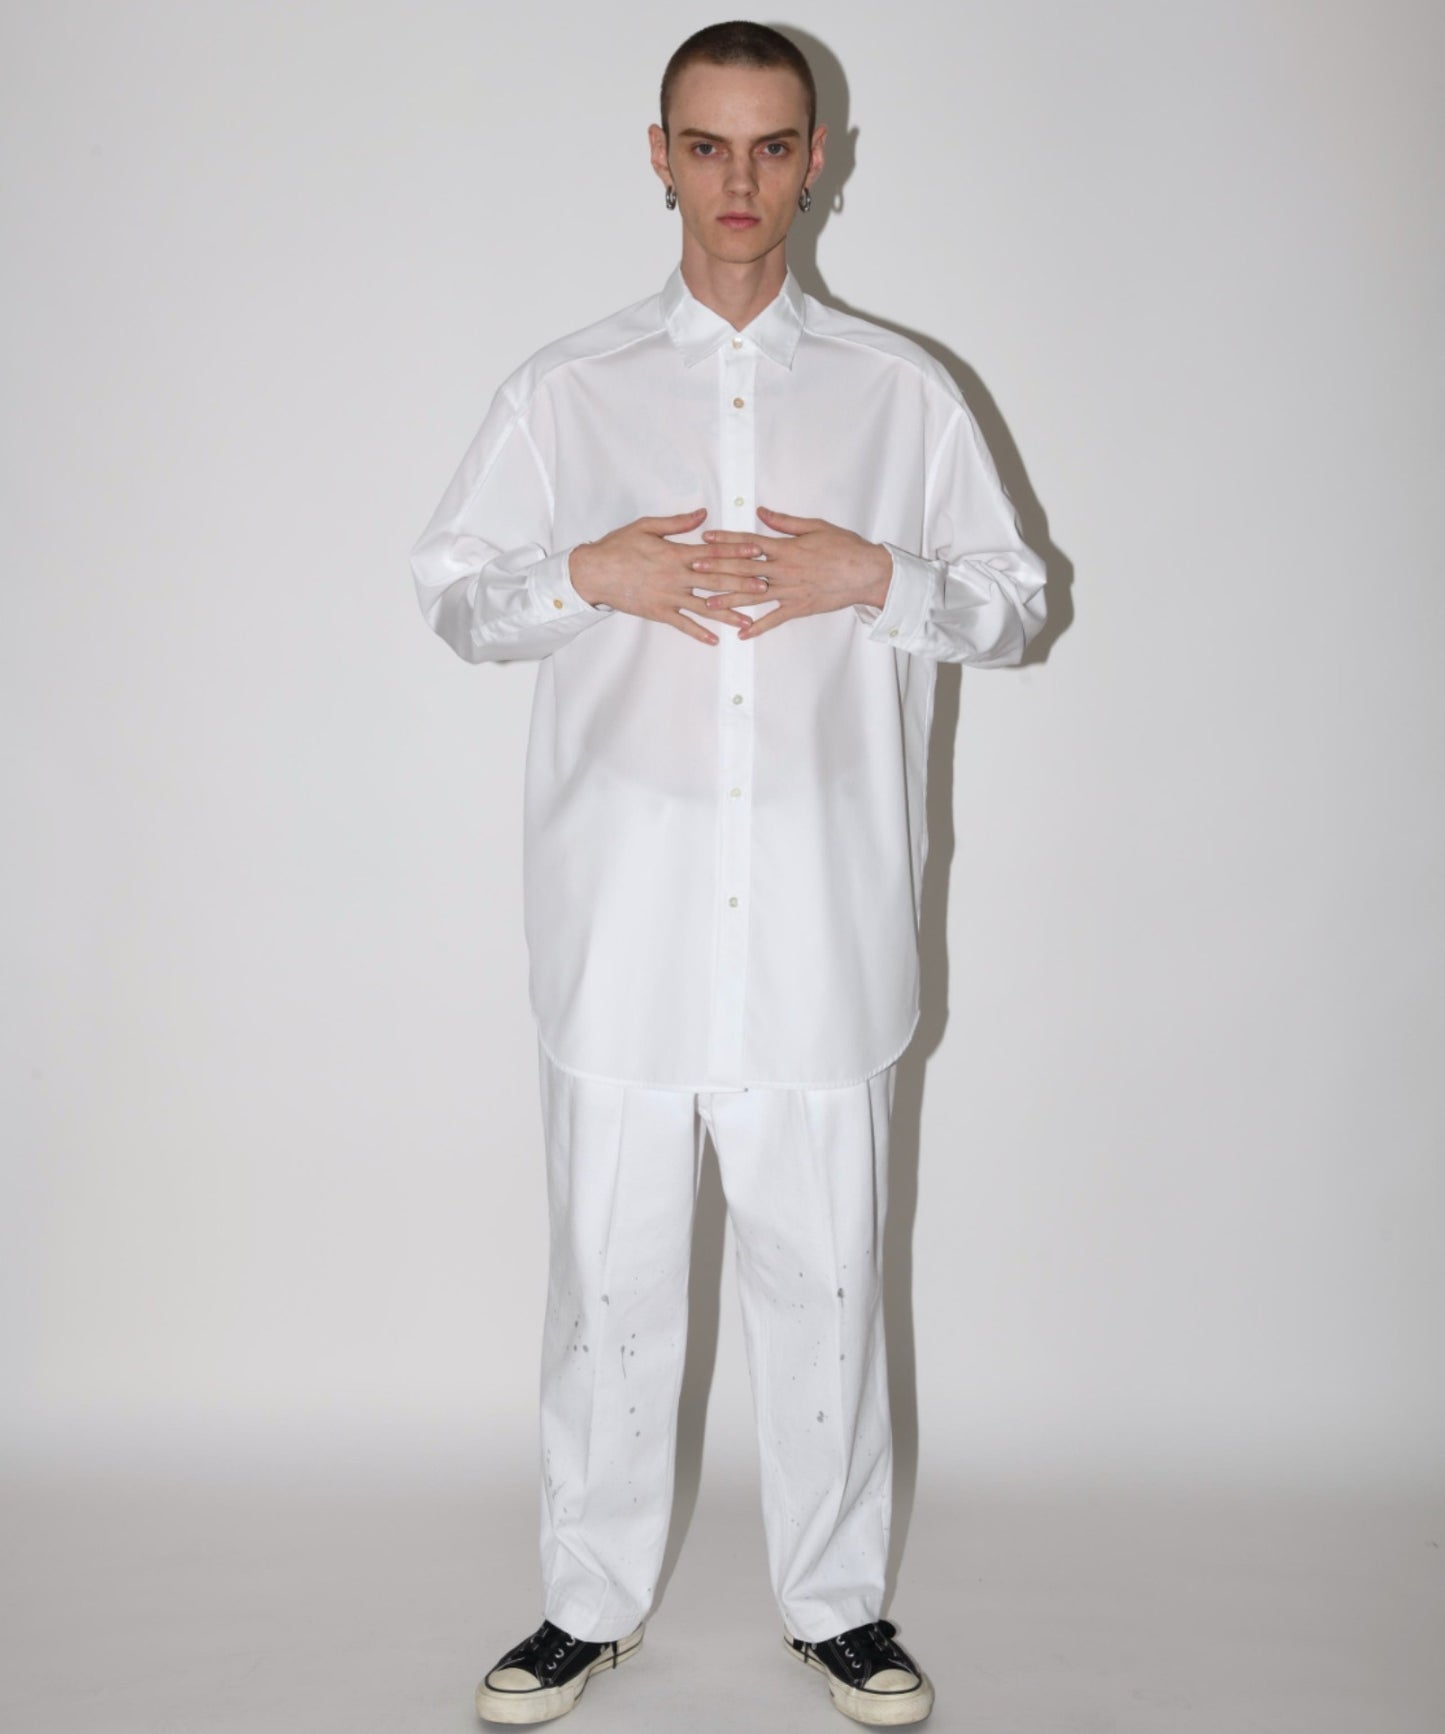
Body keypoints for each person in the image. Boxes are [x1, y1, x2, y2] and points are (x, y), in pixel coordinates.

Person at [409, 19, 1046, 1727]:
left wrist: (875, 574)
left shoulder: (904, 395)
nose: (739, 181)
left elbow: (1011, 603)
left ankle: (836, 1607)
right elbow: (456, 593)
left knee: (825, 1285)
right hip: (620, 924)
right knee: (607, 1288)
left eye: (771, 146)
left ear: (818, 158)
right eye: (707, 145)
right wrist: (586, 573)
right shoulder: (565, 390)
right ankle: (585, 1601)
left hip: (823, 928)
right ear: (659, 156)